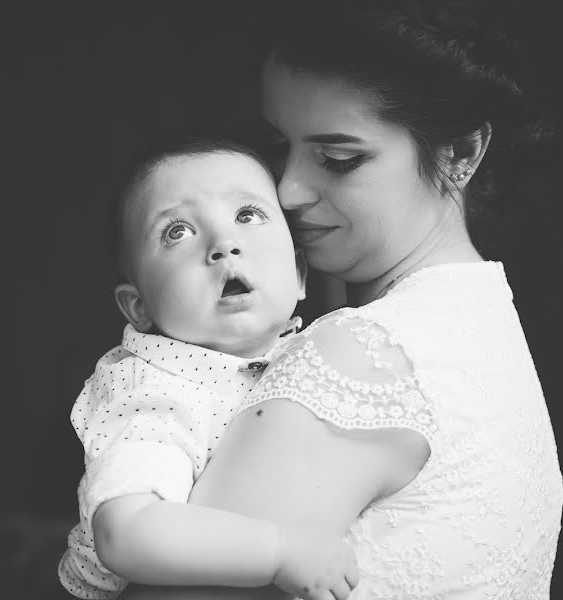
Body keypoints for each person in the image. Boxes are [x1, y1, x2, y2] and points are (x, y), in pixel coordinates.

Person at [120, 1, 563, 599]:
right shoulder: (485, 325)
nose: (288, 189)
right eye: (278, 147)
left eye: (338, 159)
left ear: (460, 154)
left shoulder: (359, 358)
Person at [58, 134, 360, 600]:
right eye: (177, 231)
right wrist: (279, 552)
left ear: (299, 275)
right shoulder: (150, 389)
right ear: (138, 307)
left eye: (247, 215)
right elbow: (127, 532)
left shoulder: (318, 351)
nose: (224, 245)